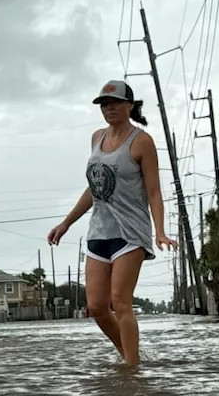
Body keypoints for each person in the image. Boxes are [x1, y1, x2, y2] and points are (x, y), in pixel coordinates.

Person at [48, 80, 176, 365]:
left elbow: (154, 190)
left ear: (130, 105)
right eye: (105, 104)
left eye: (115, 103)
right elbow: (95, 188)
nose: (110, 109)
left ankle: (131, 370)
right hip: (99, 232)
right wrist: (66, 223)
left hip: (130, 233)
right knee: (96, 306)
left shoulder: (142, 141)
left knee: (120, 301)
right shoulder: (96, 138)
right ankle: (130, 357)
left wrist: (160, 231)